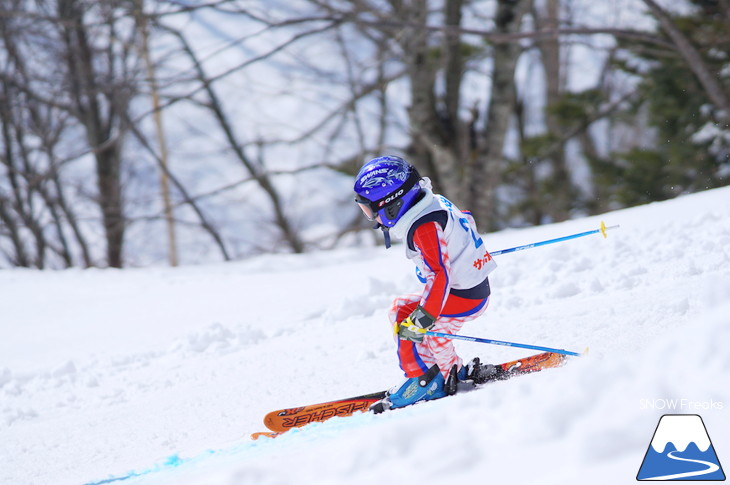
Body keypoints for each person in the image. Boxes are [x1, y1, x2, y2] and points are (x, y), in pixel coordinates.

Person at [353, 155, 499, 413]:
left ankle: (433, 380)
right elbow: (464, 216)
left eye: (369, 210)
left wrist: (425, 318)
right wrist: (466, 248)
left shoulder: (424, 227)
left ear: (391, 204)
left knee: (420, 328)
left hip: (464, 296)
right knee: (401, 310)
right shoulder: (432, 201)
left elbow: (438, 275)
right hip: (464, 289)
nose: (372, 219)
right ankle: (437, 372)